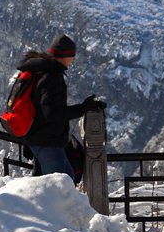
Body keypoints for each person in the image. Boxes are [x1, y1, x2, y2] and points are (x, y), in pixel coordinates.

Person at [19, 34, 105, 181]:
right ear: (64, 56)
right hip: (47, 141)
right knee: (60, 185)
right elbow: (52, 113)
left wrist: (85, 107)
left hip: (40, 138)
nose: (72, 60)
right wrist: (82, 108)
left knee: (60, 181)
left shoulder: (43, 71)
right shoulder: (51, 77)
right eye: (72, 56)